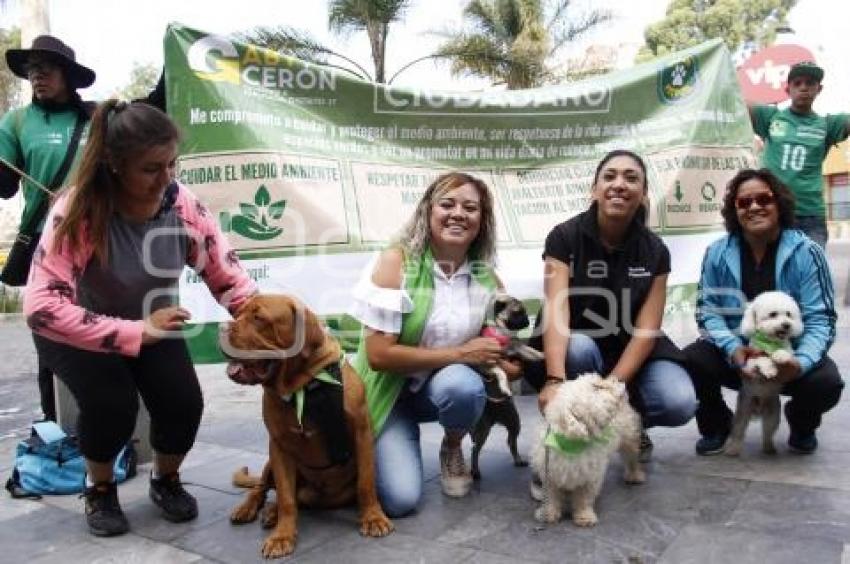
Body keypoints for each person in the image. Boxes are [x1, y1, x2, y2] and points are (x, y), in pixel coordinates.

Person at [22, 100, 257, 536]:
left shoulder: (182, 206)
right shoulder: (78, 212)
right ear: (114, 164)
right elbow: (40, 308)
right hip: (76, 328)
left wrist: (266, 333)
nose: (167, 179)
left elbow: (229, 277)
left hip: (150, 319)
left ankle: (165, 478)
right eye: (152, 169)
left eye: (172, 164)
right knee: (112, 405)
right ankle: (100, 487)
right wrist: (135, 333)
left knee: (183, 403)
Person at [349, 171, 520, 517]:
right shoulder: (396, 262)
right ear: (428, 212)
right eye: (447, 204)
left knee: (463, 387)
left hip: (441, 392)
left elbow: (498, 346)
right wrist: (462, 353)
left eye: (471, 208)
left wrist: (505, 361)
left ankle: (452, 445)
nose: (459, 213)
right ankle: (391, 434)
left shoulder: (488, 279)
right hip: (388, 394)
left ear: (482, 222)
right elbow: (378, 355)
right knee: (400, 500)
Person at [527, 149, 697, 463]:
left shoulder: (655, 251)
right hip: (577, 349)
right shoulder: (564, 237)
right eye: (609, 176)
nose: (619, 184)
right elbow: (556, 309)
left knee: (679, 401)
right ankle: (563, 442)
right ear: (594, 190)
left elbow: (647, 330)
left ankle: (627, 426)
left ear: (644, 194)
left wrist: (613, 388)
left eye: (631, 178)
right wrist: (554, 380)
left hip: (631, 351)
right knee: (578, 348)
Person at [683, 168, 843, 455]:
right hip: (741, 359)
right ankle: (717, 425)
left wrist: (800, 362)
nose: (754, 206)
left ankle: (802, 422)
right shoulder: (717, 252)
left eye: (764, 199)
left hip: (788, 356)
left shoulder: (807, 253)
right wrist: (735, 350)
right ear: (735, 211)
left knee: (827, 384)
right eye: (744, 202)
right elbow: (708, 312)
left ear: (779, 204)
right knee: (694, 358)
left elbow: (821, 320)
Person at [0, 35, 97, 421]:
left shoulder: (95, 118)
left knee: (102, 334)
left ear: (68, 75)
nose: (36, 75)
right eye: (31, 69)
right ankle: (54, 428)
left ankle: (107, 429)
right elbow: (5, 188)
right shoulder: (18, 121)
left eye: (46, 67)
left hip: (100, 242)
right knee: (52, 338)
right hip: (48, 246)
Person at [749, 60, 850, 248]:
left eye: (810, 83)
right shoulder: (770, 117)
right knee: (770, 274)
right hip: (772, 212)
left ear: (819, 89)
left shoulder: (828, 125)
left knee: (810, 272)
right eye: (797, 83)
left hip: (811, 216)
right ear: (787, 90)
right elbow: (736, 100)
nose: (803, 87)